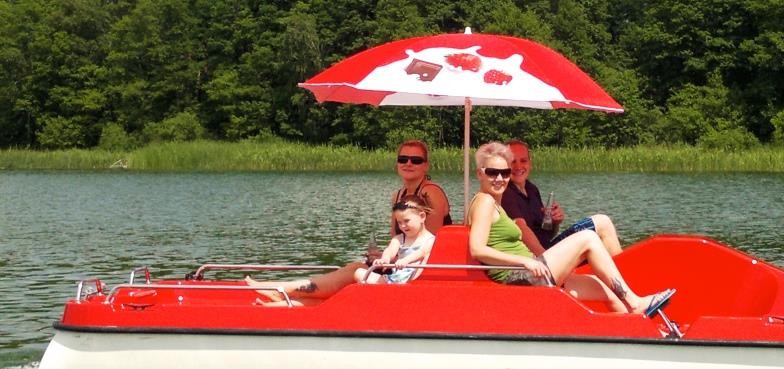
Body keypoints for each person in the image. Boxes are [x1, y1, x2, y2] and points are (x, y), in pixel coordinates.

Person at [467, 141, 674, 316]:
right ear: (479, 173)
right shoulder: (484, 202)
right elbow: (477, 249)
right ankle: (636, 304)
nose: (500, 178)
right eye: (493, 173)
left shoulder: (496, 203)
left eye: (504, 172)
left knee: (606, 289)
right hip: (518, 280)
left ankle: (636, 330)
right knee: (588, 237)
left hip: (531, 274)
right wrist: (525, 261)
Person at [247, 140, 452, 306]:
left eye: (416, 160)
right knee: (355, 270)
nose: (408, 163)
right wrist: (381, 256)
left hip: (422, 271)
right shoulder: (398, 195)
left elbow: (431, 243)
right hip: (401, 265)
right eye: (403, 158)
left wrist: (391, 261)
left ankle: (286, 290)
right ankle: (289, 299)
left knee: (354, 270)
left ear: (426, 165)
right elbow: (399, 240)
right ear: (397, 163)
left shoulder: (430, 193)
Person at [501, 139, 623, 257]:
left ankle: (618, 271)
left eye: (523, 161)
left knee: (601, 229)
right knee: (602, 222)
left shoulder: (531, 189)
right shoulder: (505, 192)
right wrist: (545, 261)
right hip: (537, 259)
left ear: (530, 163)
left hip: (548, 249)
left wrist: (554, 223)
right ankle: (622, 271)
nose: (518, 166)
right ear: (503, 165)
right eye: (512, 162)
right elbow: (521, 230)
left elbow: (546, 235)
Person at [353, 195, 435, 284]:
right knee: (359, 273)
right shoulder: (399, 239)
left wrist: (406, 260)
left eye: (407, 221)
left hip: (414, 279)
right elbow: (390, 251)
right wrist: (384, 259)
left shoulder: (431, 239)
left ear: (422, 217)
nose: (403, 226)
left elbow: (422, 252)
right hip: (395, 279)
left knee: (426, 256)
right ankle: (387, 290)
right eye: (399, 222)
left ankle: (406, 288)